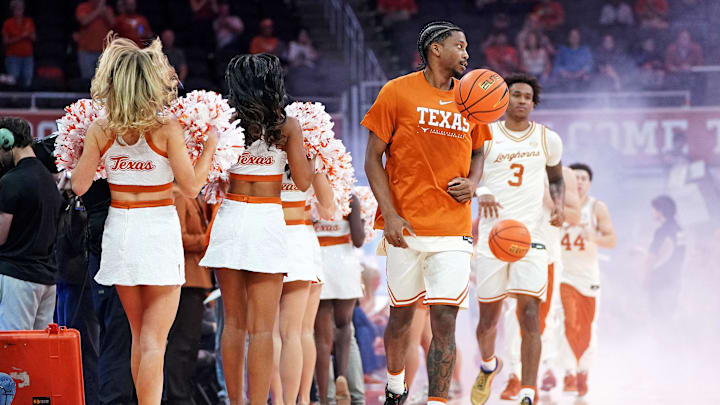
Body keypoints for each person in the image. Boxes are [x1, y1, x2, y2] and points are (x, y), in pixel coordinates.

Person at [71, 35, 219, 404]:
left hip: (120, 232)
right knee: (155, 342)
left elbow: (78, 185)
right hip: (156, 232)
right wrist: (211, 146)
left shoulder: (101, 130)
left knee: (140, 337)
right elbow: (190, 187)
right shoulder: (168, 129)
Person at [362, 20, 491, 405]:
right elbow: (372, 159)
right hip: (406, 226)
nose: (467, 54)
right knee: (401, 317)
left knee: (445, 321)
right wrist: (390, 214)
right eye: (460, 46)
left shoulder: (473, 99)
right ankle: (396, 386)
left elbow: (479, 150)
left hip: (452, 228)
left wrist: (473, 181)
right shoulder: (396, 92)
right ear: (436, 49)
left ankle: (438, 400)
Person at [200, 53, 314, 405]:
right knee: (264, 329)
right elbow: (304, 182)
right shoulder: (287, 125)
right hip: (267, 220)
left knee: (233, 324)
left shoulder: (225, 121)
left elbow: (212, 176)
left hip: (232, 216)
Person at [471, 73, 564, 405]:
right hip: (492, 237)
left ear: (533, 103)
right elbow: (471, 176)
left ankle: (528, 389)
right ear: (503, 99)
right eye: (515, 95)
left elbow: (556, 178)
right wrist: (480, 192)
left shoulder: (547, 139)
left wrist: (558, 205)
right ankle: (488, 365)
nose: (522, 100)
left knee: (529, 316)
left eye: (527, 96)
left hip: (531, 238)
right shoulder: (485, 135)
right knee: (488, 322)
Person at [498, 166, 581, 399]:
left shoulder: (563, 174)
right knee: (512, 314)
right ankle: (515, 375)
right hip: (512, 248)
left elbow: (574, 216)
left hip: (546, 252)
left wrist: (547, 196)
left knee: (542, 318)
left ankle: (536, 374)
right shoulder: (509, 162)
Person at [271, 166, 335, 405]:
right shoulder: (312, 153)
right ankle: (303, 399)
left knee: (272, 332)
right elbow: (329, 210)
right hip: (299, 238)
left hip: (269, 236)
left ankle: (277, 400)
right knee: (300, 332)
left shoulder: (258, 145)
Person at [559, 163, 616, 397]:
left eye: (583, 178)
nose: (579, 182)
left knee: (587, 326)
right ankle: (568, 372)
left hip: (587, 274)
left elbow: (611, 239)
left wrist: (594, 237)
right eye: (575, 178)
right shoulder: (557, 206)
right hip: (563, 273)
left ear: (589, 182)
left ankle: (583, 371)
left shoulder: (596, 207)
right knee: (566, 321)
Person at [0, 117, 62, 330]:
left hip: (17, 278)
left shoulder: (10, 182)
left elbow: (1, 236)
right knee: (39, 351)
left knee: (14, 349)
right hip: (47, 280)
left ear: (6, 142)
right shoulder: (50, 181)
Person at [312, 196, 366, 405]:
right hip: (345, 264)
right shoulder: (349, 198)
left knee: (321, 337)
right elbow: (359, 240)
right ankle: (342, 376)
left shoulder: (311, 196)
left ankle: (327, 396)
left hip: (318, 262)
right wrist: (361, 222)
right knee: (345, 327)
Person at [164, 186, 214, 405]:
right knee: (182, 343)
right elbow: (176, 237)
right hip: (185, 280)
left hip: (196, 280)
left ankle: (183, 393)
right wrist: (207, 239)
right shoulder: (178, 195)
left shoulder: (193, 196)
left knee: (190, 343)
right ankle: (177, 397)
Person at [644, 195, 685, 318]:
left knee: (658, 316)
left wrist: (646, 279)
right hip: (675, 279)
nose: (653, 212)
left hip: (660, 280)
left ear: (661, 211)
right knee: (670, 315)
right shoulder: (679, 230)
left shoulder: (662, 231)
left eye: (654, 209)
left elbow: (651, 257)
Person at [75, 0, 115, 79]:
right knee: (87, 80)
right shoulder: (83, 7)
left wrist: (104, 11)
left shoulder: (107, 9)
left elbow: (113, 23)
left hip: (103, 52)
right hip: (86, 51)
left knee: (104, 80)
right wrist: (98, 10)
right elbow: (84, 21)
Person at [2, 0, 35, 88]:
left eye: (21, 9)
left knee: (27, 80)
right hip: (13, 57)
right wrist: (21, 36)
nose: (19, 11)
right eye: (17, 9)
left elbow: (34, 38)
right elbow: (5, 41)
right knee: (13, 81)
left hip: (28, 57)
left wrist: (28, 35)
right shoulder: (7, 23)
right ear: (13, 10)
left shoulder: (29, 21)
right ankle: (13, 101)